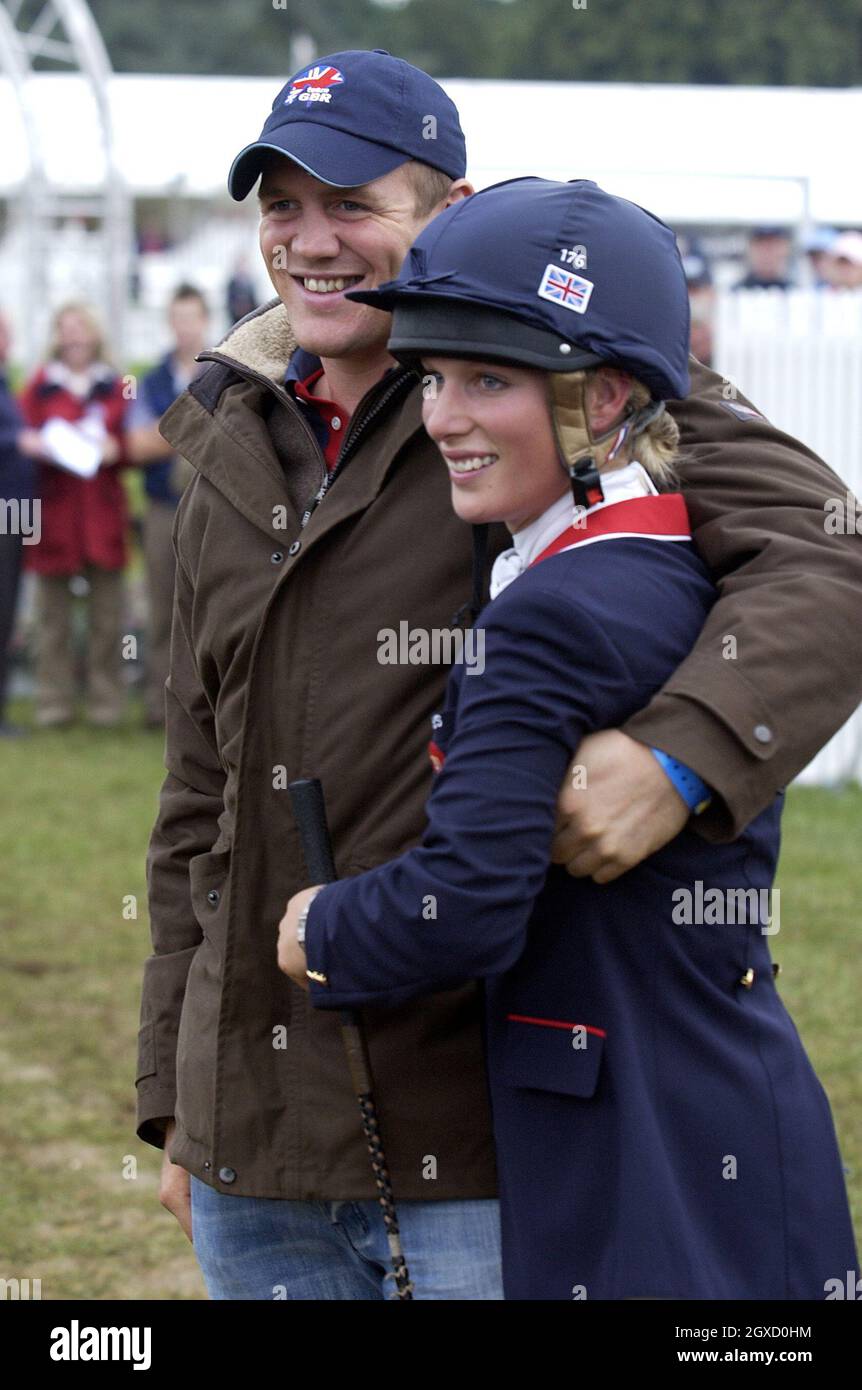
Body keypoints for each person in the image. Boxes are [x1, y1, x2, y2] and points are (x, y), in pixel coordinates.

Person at [136, 49, 862, 1302]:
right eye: (281, 206)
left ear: (448, 213)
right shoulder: (226, 426)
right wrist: (175, 1091)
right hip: (249, 1140)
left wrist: (680, 752)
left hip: (474, 1137)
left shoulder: (553, 390)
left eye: (353, 203)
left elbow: (830, 552)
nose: (311, 242)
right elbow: (196, 795)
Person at [19, 302, 129, 728]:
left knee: (108, 621)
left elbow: (133, 437)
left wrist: (116, 450)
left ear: (95, 334)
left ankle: (107, 704)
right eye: (65, 330)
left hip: (102, 514)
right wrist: (41, 446)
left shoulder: (118, 385)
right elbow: (21, 436)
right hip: (55, 517)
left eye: (80, 328)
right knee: (53, 622)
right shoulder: (40, 387)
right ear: (56, 337)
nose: (73, 338)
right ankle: (54, 704)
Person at [126, 285, 210, 728]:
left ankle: (204, 712)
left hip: (214, 511)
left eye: (191, 318)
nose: (184, 328)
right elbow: (136, 445)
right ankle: (159, 707)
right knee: (161, 609)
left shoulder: (224, 372)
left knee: (209, 611)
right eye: (177, 318)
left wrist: (165, 433)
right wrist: (193, 427)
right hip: (162, 507)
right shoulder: (153, 377)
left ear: (205, 320)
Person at [0, 310, 41, 737]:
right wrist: (20, 441)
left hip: (16, 513)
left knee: (10, 608)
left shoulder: (5, 380)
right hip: (5, 513)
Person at [733, 226, 794, 291]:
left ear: (785, 250)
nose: (767, 253)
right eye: (761, 246)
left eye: (772, 246)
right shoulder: (733, 294)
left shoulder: (797, 293)